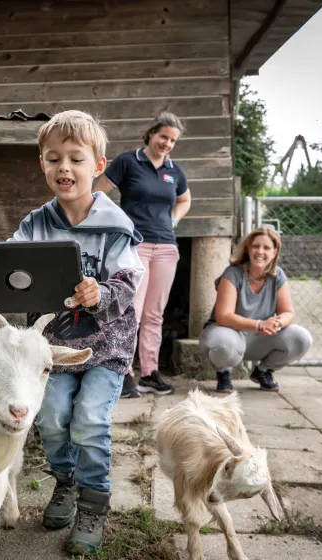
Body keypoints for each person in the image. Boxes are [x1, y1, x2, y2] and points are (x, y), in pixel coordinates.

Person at [0, 110, 144, 555]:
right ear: (42, 164)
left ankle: (94, 503)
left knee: (90, 421)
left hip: (105, 348)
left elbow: (131, 281)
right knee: (52, 419)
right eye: (54, 159)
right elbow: (3, 268)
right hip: (48, 353)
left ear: (99, 165)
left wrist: (103, 292)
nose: (65, 168)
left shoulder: (116, 227)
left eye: (76, 158)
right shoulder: (37, 223)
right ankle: (66, 483)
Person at [94, 112, 191, 398]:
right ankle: (123, 372)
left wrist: (173, 220)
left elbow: (185, 199)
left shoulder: (175, 171)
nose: (167, 144)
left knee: (154, 315)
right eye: (164, 137)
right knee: (129, 312)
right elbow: (98, 192)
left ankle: (149, 373)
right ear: (151, 134)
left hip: (166, 247)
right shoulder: (128, 161)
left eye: (173, 140)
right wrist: (116, 225)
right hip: (134, 246)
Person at [199, 227, 313, 393]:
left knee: (302, 338)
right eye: (256, 246)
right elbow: (223, 316)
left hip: (259, 338)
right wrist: (260, 324)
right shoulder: (232, 274)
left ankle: (263, 371)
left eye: (266, 248)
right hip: (229, 333)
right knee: (223, 342)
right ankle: (223, 373)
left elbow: (288, 312)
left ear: (274, 252)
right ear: (248, 249)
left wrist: (277, 322)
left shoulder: (278, 275)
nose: (260, 252)